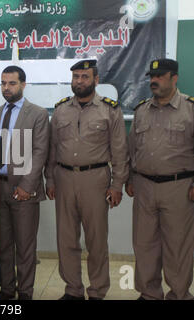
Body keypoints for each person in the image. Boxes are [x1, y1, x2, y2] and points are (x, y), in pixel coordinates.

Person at [45, 59, 129, 300]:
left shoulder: (110, 110)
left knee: (96, 241)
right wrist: (49, 179)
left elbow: (120, 151)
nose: (79, 81)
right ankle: (73, 290)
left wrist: (117, 185)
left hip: (96, 179)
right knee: (67, 240)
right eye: (76, 77)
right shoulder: (61, 110)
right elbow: (52, 148)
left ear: (96, 80)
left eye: (84, 77)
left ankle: (97, 291)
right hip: (63, 178)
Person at [126, 58, 194, 300]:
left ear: (174, 78)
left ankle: (179, 294)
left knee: (178, 246)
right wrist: (129, 178)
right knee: (144, 245)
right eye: (152, 77)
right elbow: (131, 150)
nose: (154, 81)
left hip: (179, 188)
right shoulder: (141, 111)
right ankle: (149, 294)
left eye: (160, 77)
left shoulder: (193, 110)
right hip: (144, 187)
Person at [0, 65, 49, 300]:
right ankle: (7, 289)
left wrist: (27, 185)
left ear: (23, 85)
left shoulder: (38, 114)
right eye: (3, 83)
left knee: (24, 247)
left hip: (24, 189)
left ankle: (25, 292)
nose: (7, 88)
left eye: (12, 83)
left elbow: (40, 152)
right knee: (3, 245)